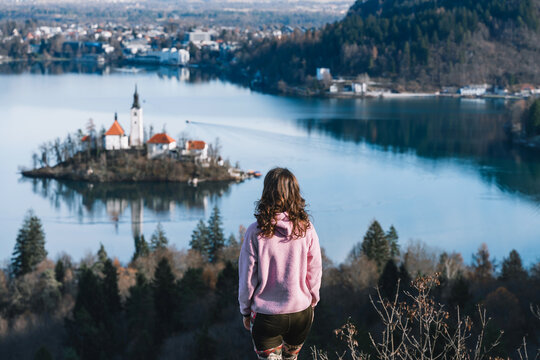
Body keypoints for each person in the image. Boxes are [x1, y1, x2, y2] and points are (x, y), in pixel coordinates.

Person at [238, 167, 323, 360]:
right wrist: (313, 302)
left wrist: (245, 311)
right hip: (301, 313)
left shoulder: (255, 232)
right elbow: (315, 269)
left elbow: (247, 278)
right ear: (295, 193)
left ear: (266, 193)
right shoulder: (306, 228)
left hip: (267, 317)